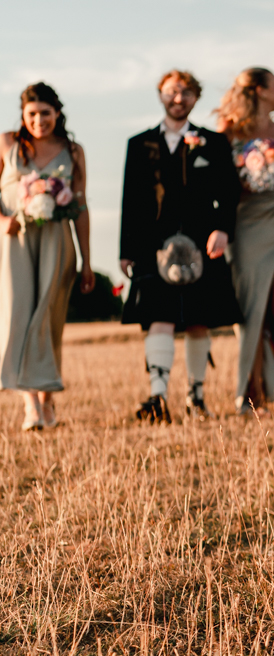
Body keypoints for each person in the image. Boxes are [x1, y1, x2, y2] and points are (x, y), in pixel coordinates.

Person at [120, 70, 242, 422]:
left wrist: (223, 229)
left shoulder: (213, 142)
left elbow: (230, 193)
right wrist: (126, 250)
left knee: (198, 321)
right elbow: (131, 198)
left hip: (204, 242)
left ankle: (196, 397)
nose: (179, 98)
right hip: (151, 244)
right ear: (161, 95)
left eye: (187, 92)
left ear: (196, 99)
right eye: (173, 91)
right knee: (158, 318)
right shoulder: (138, 143)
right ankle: (157, 398)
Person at [0, 83, 95, 430]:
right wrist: (3, 220)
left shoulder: (72, 150)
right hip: (15, 243)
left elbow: (81, 207)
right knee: (18, 318)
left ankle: (48, 399)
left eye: (45, 113)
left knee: (48, 320)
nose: (39, 120)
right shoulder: (7, 143)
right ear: (23, 115)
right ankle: (30, 406)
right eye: (32, 114)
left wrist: (87, 260)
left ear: (57, 113)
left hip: (58, 243)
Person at [216, 67, 274, 415]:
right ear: (259, 91)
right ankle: (252, 393)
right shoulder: (229, 131)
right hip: (244, 226)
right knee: (252, 313)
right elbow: (221, 182)